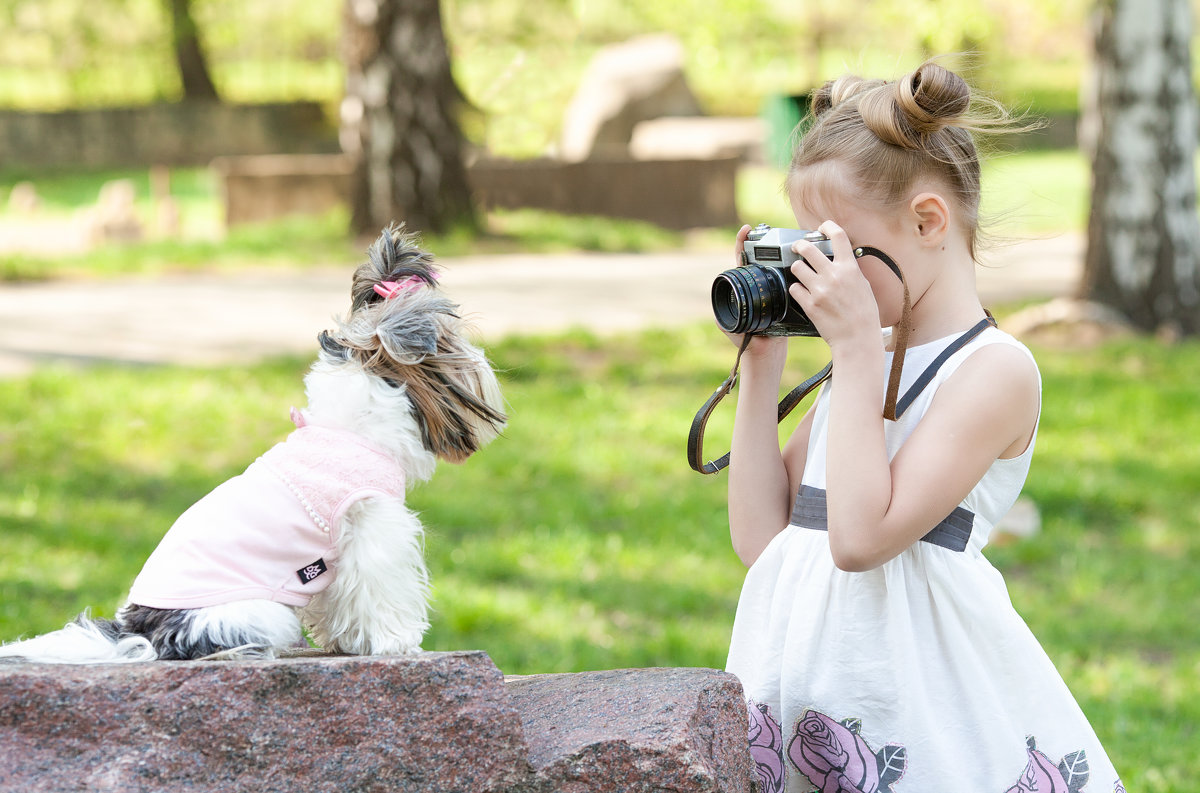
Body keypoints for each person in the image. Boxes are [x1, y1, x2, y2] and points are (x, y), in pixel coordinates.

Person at [723, 61, 1123, 792]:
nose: (818, 273)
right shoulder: (866, 354)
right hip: (803, 684)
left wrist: (851, 354)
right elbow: (766, 543)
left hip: (918, 705)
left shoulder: (994, 371)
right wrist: (761, 370)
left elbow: (860, 539)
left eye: (836, 248)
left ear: (928, 221)